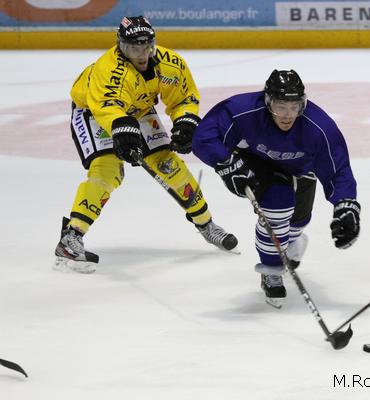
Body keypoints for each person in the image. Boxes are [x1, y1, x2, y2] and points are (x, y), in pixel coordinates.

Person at [54, 16, 238, 274]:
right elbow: (106, 106)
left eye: (147, 46)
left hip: (139, 109)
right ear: (120, 46)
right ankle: (71, 237)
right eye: (133, 48)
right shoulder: (108, 69)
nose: (141, 54)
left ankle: (207, 225)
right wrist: (122, 130)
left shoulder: (170, 63)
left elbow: (184, 97)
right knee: (108, 169)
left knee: (167, 164)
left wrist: (185, 122)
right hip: (93, 113)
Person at [192, 69, 361, 307]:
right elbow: (204, 136)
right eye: (281, 106)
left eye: (295, 107)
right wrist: (225, 163)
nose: (287, 115)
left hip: (301, 171)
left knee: (299, 221)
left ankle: (288, 241)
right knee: (278, 204)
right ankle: (271, 269)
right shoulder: (243, 110)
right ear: (267, 101)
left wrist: (346, 206)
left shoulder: (319, 127)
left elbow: (338, 169)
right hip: (257, 162)